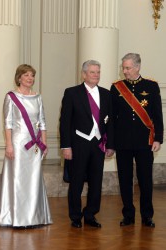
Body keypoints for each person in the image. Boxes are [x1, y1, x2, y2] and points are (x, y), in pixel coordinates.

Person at [0, 64, 52, 228]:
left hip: (35, 145)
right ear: (19, 78)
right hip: (18, 144)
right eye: (26, 75)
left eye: (32, 75)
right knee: (18, 180)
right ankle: (16, 217)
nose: (30, 78)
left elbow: (42, 122)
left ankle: (34, 217)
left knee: (33, 179)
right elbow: (8, 123)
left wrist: (44, 143)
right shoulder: (11, 97)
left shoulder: (37, 97)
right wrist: (8, 145)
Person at [110, 53, 163, 228]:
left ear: (138, 67)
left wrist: (158, 138)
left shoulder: (151, 86)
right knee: (124, 180)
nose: (124, 71)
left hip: (144, 142)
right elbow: (112, 118)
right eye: (123, 68)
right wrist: (111, 143)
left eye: (127, 68)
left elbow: (157, 115)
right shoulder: (117, 88)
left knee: (145, 180)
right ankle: (128, 215)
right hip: (123, 142)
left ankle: (147, 215)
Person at [60, 60, 114, 228]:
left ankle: (90, 214)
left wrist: (110, 144)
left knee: (96, 181)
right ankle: (75, 216)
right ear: (84, 74)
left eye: (98, 72)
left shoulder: (106, 94)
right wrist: (66, 146)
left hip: (98, 144)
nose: (96, 75)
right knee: (76, 182)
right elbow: (65, 122)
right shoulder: (72, 93)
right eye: (92, 72)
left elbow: (110, 123)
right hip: (78, 144)